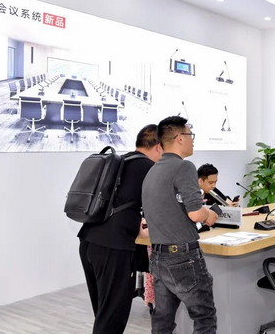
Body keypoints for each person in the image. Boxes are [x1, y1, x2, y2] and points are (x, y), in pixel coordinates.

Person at [78, 124, 163, 334]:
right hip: (113, 247)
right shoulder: (149, 168)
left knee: (104, 313)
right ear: (159, 147)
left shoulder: (122, 161)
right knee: (112, 319)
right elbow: (158, 209)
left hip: (89, 240)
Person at [142, 116, 218, 334]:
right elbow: (195, 213)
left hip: (158, 256)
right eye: (190, 135)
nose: (192, 140)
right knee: (204, 317)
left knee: (163, 321)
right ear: (179, 138)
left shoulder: (153, 170)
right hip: (183, 257)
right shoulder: (184, 167)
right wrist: (209, 214)